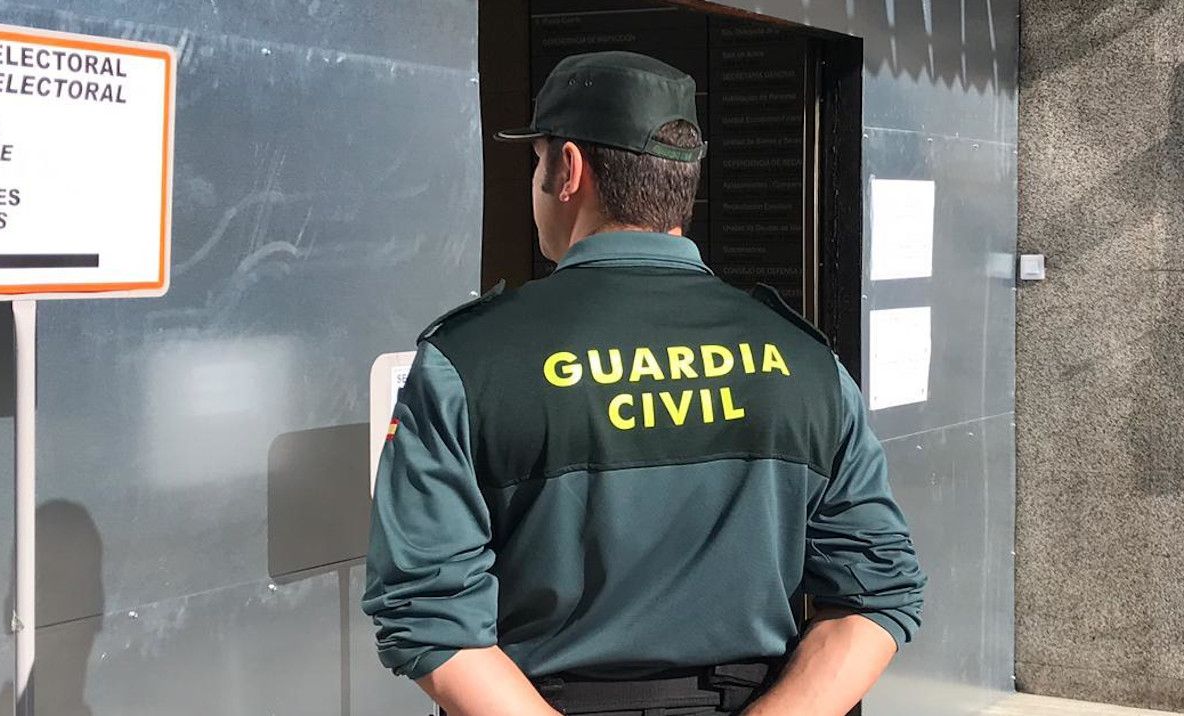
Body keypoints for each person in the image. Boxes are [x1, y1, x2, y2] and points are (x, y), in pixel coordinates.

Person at [362, 51, 926, 716]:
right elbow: (876, 592)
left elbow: (427, 612)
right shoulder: (806, 362)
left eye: (537, 161)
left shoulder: (468, 359)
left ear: (569, 170)